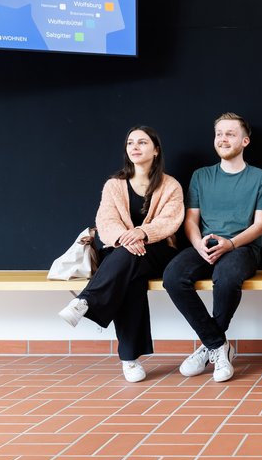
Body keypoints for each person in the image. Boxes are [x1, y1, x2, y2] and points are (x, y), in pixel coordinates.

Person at [58, 126, 184, 383]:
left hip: (159, 251)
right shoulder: (114, 185)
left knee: (129, 260)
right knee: (131, 277)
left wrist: (140, 233)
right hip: (124, 253)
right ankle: (131, 360)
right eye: (130, 143)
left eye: (142, 142)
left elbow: (170, 221)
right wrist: (125, 239)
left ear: (156, 150)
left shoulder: (170, 185)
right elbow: (105, 222)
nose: (135, 147)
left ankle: (87, 301)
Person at [162, 113, 262, 383]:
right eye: (219, 134)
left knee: (225, 279)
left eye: (230, 134)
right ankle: (217, 345)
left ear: (245, 140)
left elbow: (260, 225)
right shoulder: (201, 176)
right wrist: (198, 244)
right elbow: (191, 220)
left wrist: (231, 243)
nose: (223, 139)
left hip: (243, 247)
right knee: (172, 277)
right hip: (205, 245)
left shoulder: (261, 178)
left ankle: (209, 346)